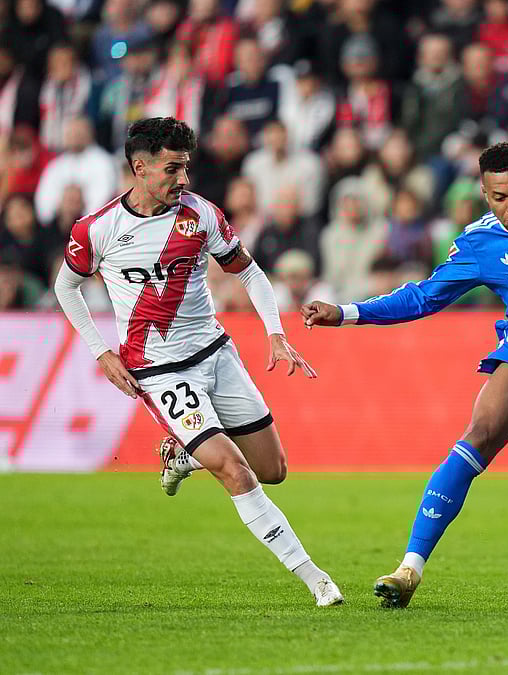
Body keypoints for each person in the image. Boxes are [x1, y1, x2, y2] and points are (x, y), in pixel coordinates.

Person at [301, 141, 508, 609]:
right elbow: (424, 297)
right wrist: (344, 312)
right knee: (478, 433)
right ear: (485, 194)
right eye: (501, 198)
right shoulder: (481, 241)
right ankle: (409, 569)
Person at [52, 117, 343, 608]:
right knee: (233, 469)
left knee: (272, 469)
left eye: (186, 168)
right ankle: (316, 578)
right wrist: (100, 351)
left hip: (216, 352)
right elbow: (67, 286)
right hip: (158, 369)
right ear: (139, 168)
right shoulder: (97, 229)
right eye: (172, 169)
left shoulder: (201, 215)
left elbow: (249, 273)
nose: (182, 180)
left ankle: (183, 454)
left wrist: (275, 333)